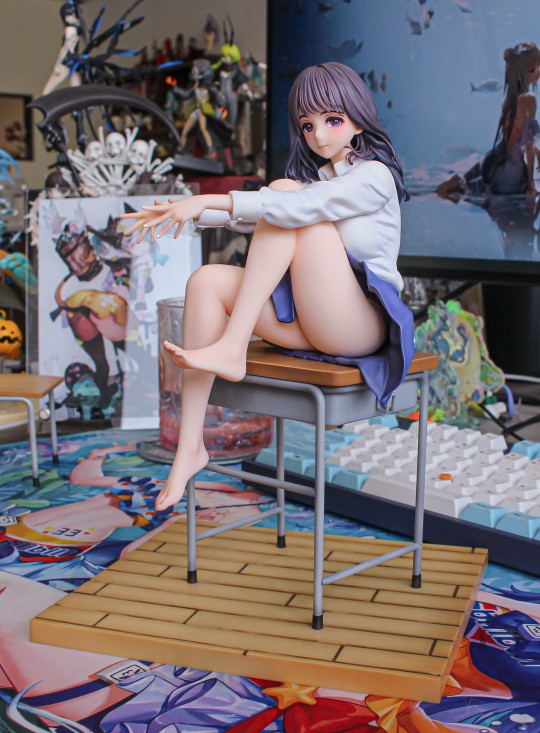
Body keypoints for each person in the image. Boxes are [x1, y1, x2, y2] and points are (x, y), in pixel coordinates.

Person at [122, 62, 414, 512]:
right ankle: (189, 447)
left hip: (360, 326)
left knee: (288, 198)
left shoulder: (373, 176)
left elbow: (294, 207)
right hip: (312, 320)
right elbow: (269, 213)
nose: (319, 135)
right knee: (207, 281)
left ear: (358, 120)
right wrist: (185, 210)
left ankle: (232, 346)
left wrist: (205, 200)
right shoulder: (321, 180)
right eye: (308, 125)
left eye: (333, 120)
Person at [437, 42, 540, 199]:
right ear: (520, 75)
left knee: (466, 187)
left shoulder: (509, 99)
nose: (538, 71)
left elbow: (513, 139)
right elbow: (528, 147)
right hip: (511, 171)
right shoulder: (529, 100)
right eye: (533, 69)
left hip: (493, 161)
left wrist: (537, 152)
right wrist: (530, 186)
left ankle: (456, 185)